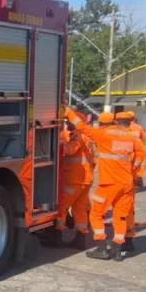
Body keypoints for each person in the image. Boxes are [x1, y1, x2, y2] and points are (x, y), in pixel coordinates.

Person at [65, 108, 146, 261]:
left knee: (96, 214)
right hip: (127, 183)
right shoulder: (131, 137)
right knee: (120, 216)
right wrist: (135, 172)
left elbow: (81, 126)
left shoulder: (102, 134)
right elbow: (141, 154)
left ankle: (101, 247)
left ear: (105, 123)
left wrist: (69, 112)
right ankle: (117, 248)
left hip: (109, 184)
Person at [54, 107, 95, 249]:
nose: (68, 123)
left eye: (69, 121)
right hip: (85, 179)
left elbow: (69, 151)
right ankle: (80, 238)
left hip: (74, 179)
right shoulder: (87, 136)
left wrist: (56, 143)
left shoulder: (78, 135)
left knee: (62, 208)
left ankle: (57, 236)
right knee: (80, 209)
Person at [116, 111, 146, 252]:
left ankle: (118, 240)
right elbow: (142, 149)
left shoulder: (116, 133)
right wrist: (139, 176)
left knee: (118, 209)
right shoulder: (138, 129)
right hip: (132, 174)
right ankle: (128, 238)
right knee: (128, 208)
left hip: (120, 175)